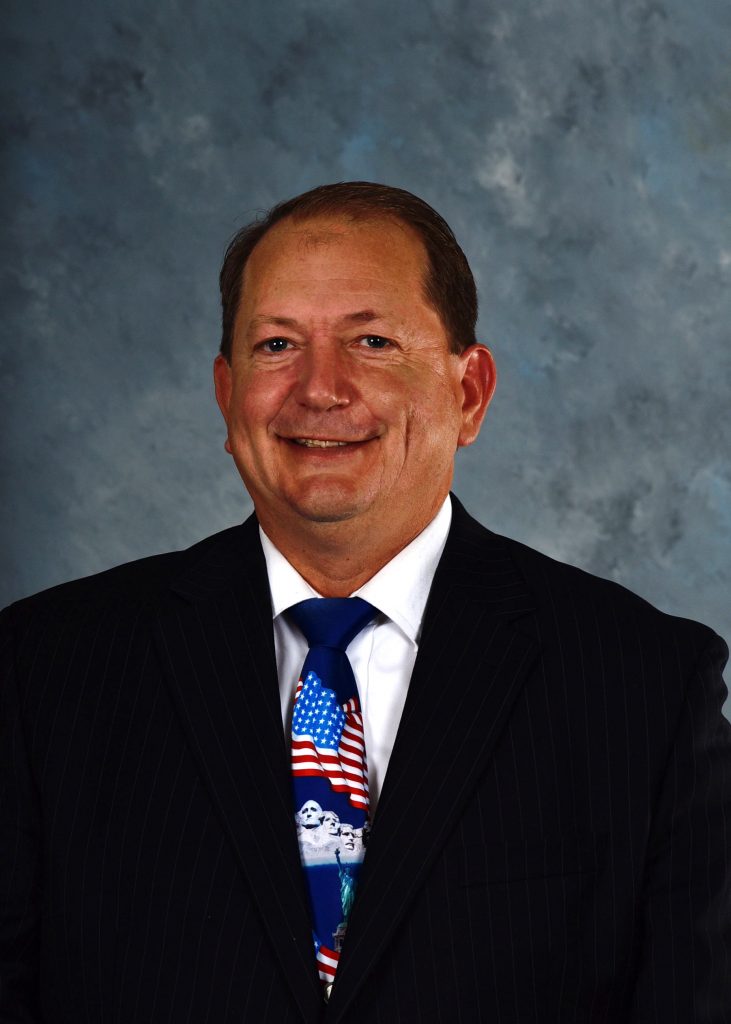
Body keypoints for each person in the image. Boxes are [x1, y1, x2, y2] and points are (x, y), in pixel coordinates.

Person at [1, 181, 729, 1023]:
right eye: (276, 345)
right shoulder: (47, 669)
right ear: (226, 392)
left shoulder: (642, 684)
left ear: (469, 392)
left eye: (372, 341)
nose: (319, 388)